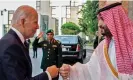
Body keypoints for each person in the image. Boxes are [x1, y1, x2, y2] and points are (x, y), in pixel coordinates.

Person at [59, 1, 133, 80]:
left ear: (115, 19)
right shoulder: (103, 46)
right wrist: (70, 71)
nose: (99, 24)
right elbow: (90, 71)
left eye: (103, 19)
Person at [0, 5, 59, 80]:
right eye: (35, 22)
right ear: (23, 21)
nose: (37, 26)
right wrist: (48, 75)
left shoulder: (14, 41)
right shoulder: (12, 46)